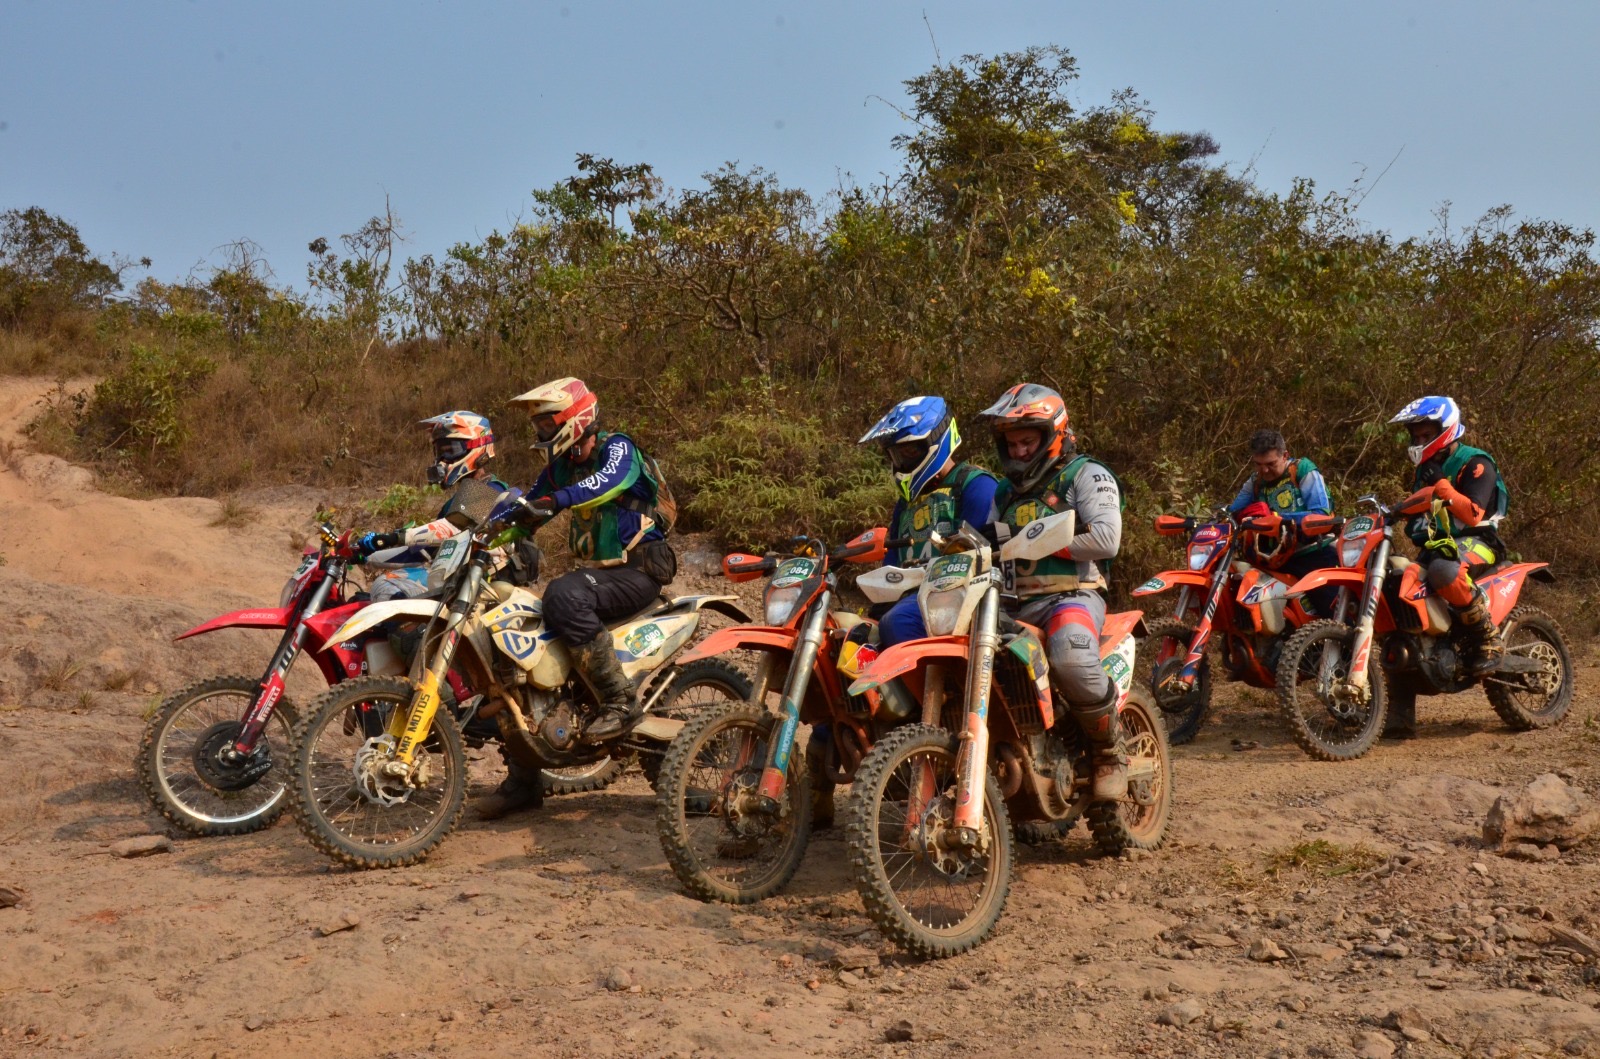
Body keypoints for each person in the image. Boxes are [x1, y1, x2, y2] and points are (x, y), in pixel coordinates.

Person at [807, 396, 998, 827]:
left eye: (909, 450)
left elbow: (988, 552)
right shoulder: (906, 503)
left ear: (937, 440)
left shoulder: (976, 485)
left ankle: (903, 721)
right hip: (910, 599)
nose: (901, 459)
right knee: (840, 652)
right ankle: (812, 792)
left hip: (958, 605)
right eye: (895, 452)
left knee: (896, 623)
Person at [980, 383, 1128, 801]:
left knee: (1071, 657)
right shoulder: (1003, 491)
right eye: (1012, 443)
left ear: (1053, 434)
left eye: (1028, 441)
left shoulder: (1086, 474)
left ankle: (1107, 753)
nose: (1020, 451)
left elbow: (1106, 539)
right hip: (1011, 602)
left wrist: (1037, 542)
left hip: (1072, 594)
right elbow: (992, 543)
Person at [508, 377, 677, 738]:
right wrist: (495, 531)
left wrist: (554, 501)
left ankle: (621, 701)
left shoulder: (617, 448)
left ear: (576, 418)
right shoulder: (563, 466)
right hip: (603, 575)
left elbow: (607, 482)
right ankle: (526, 774)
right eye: (538, 424)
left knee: (564, 594)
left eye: (547, 422)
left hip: (640, 569)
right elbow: (529, 506)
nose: (541, 430)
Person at [1387, 396, 1508, 736]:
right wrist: (1394, 513)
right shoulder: (1424, 470)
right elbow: (1415, 515)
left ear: (1444, 430)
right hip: (1440, 545)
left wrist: (1440, 484)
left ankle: (1489, 638)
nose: (1418, 442)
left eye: (1425, 435)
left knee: (1443, 571)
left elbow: (1473, 513)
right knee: (1398, 596)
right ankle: (1399, 714)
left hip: (1480, 543)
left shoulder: (1475, 462)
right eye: (1415, 436)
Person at [1227, 429, 1341, 617]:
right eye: (1258, 464)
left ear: (1285, 455)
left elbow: (1322, 513)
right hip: (1271, 557)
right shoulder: (1255, 481)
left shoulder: (1302, 470)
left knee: (1332, 611)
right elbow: (1234, 512)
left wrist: (1278, 518)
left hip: (1312, 552)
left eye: (1270, 464)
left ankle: (1346, 643)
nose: (1264, 470)